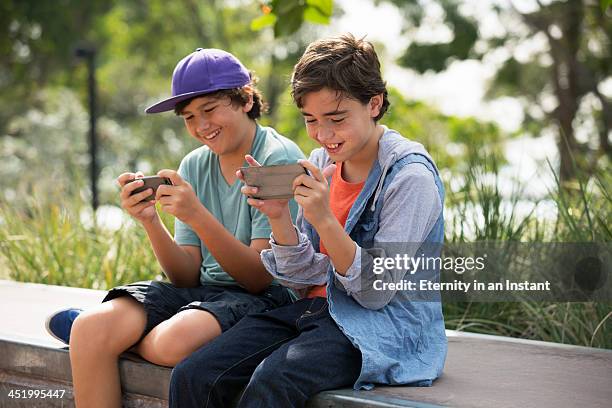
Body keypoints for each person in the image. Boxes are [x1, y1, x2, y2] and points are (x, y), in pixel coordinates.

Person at [168, 34, 447, 408]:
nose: (323, 135)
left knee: (274, 380)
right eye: (311, 120)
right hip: (314, 311)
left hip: (381, 329)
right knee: (194, 374)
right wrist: (280, 219)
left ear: (374, 104)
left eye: (336, 118)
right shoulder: (319, 163)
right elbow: (302, 279)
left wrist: (324, 219)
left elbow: (376, 292)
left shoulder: (409, 177)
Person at [45, 48, 304, 407]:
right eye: (189, 117)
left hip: (262, 303)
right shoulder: (195, 164)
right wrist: (151, 221)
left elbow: (259, 278)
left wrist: (197, 215)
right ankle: (103, 335)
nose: (200, 127)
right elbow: (185, 276)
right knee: (90, 329)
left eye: (209, 110)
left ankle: (121, 338)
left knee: (170, 343)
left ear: (245, 99)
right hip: (203, 295)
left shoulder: (276, 158)